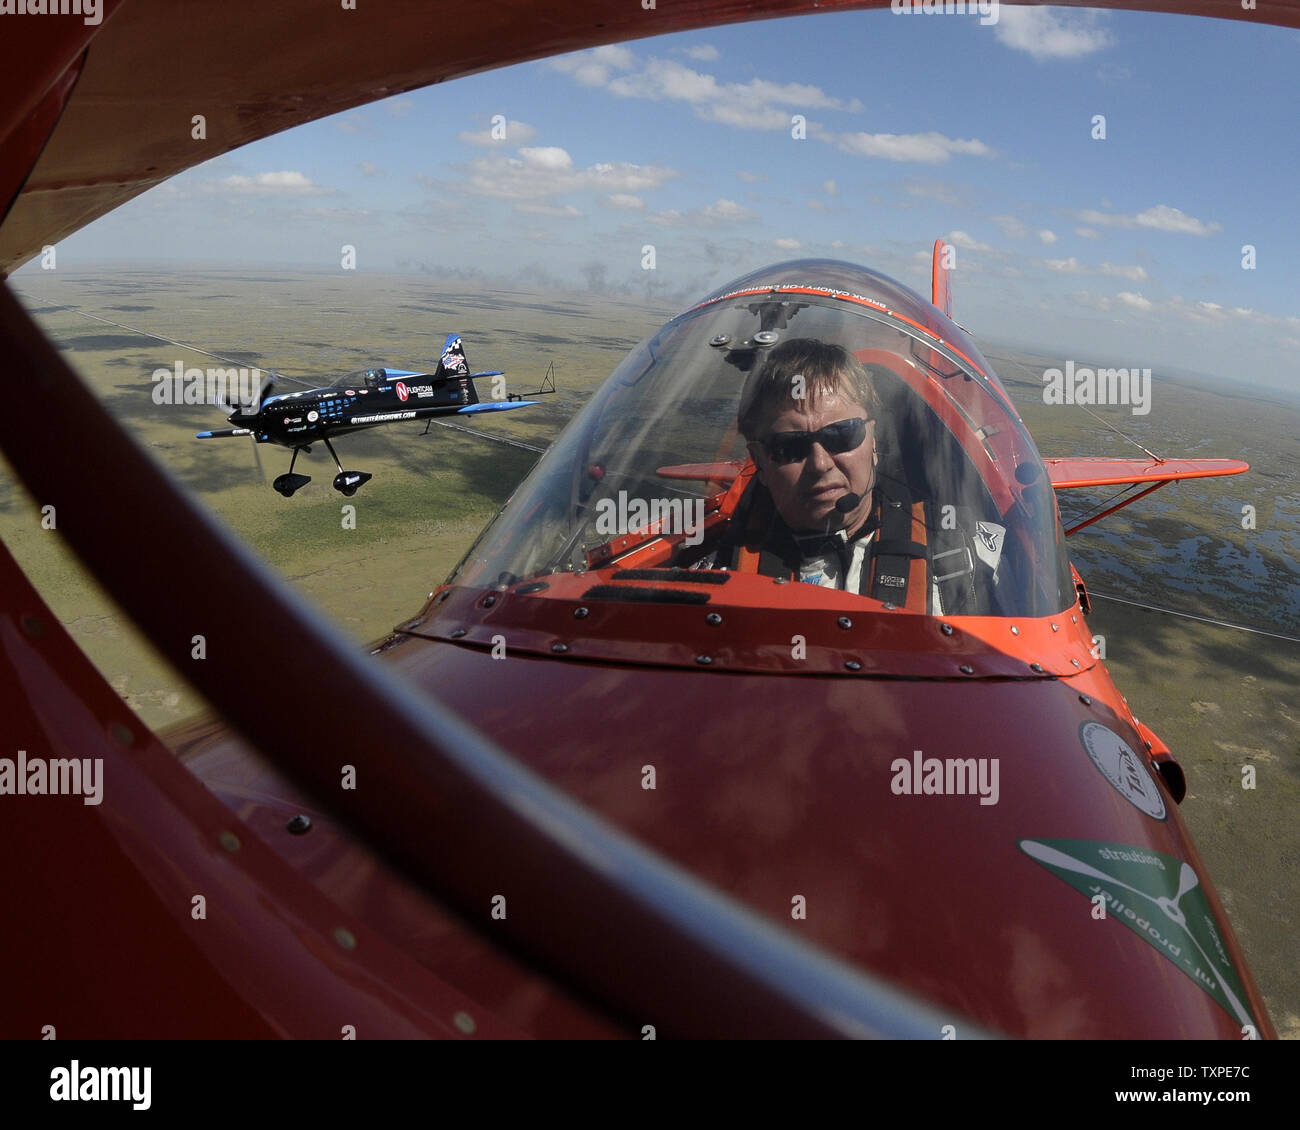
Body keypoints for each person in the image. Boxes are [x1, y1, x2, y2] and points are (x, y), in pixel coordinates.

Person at [692, 337, 1004, 614]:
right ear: (759, 461)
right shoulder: (713, 573)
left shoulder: (970, 553)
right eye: (790, 447)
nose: (820, 464)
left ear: (873, 440)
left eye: (841, 435)